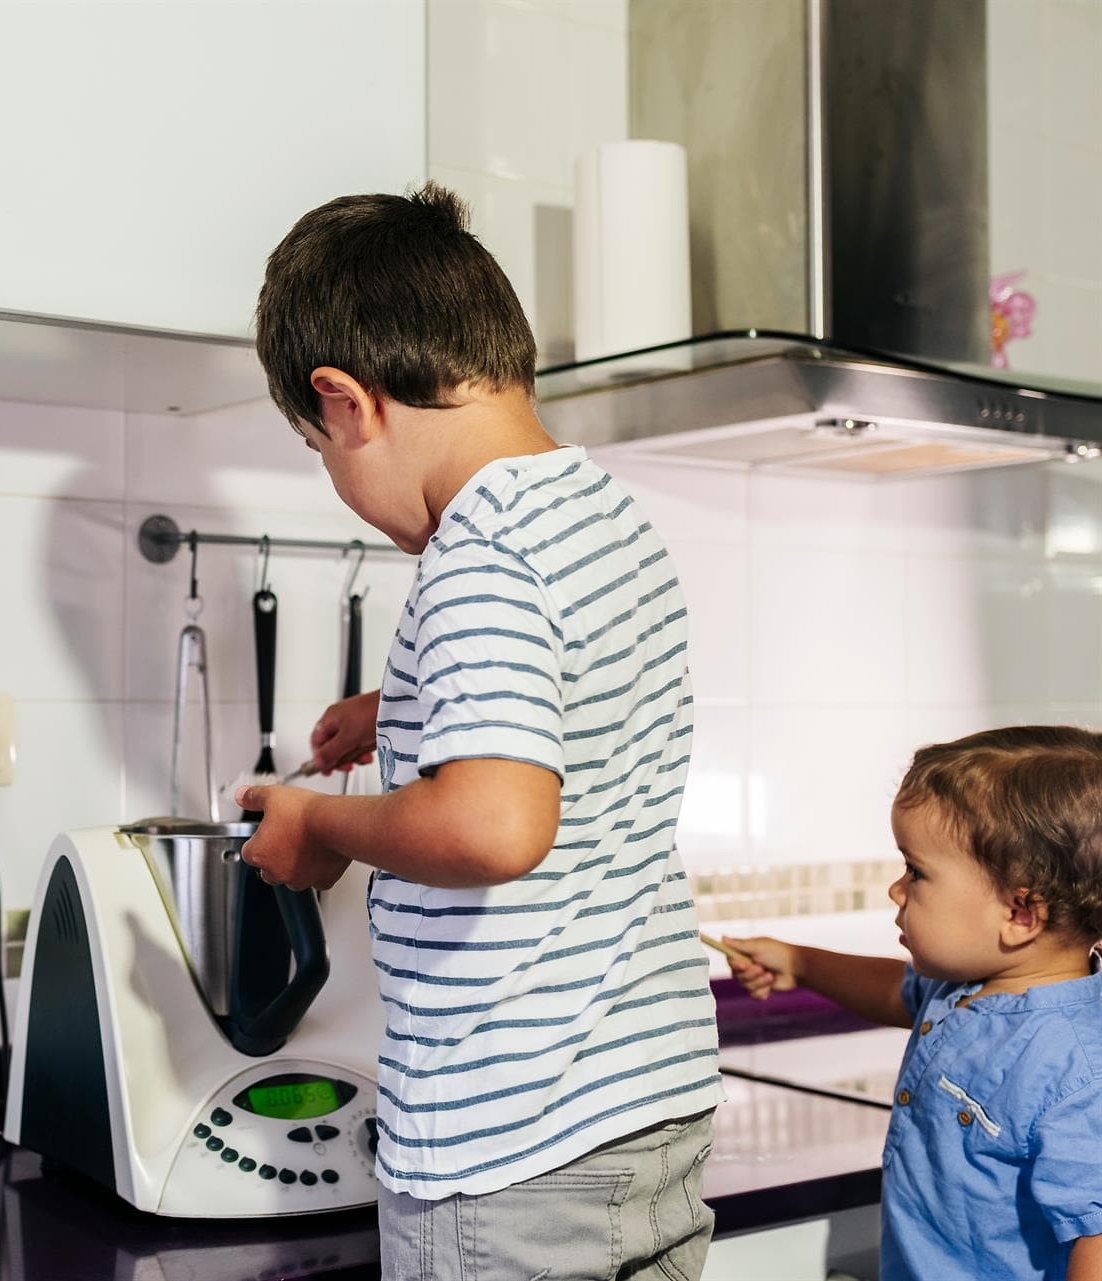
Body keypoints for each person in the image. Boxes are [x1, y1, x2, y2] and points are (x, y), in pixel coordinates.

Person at [234, 182, 721, 1280]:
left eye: (320, 449)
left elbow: (498, 826)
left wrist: (322, 818)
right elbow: (582, 702)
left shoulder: (478, 556)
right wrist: (400, 710)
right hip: (652, 1105)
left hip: (511, 1143)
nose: (339, 478)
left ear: (348, 402)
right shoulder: (604, 516)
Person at [726, 726, 1102, 1281]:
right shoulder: (965, 988)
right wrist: (799, 961)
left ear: (1020, 914)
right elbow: (892, 991)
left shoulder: (1077, 1069)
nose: (896, 890)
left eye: (917, 871)